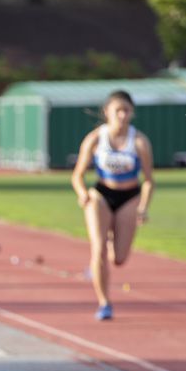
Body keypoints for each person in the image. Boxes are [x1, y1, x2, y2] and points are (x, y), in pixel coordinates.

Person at [71, 90, 154, 321]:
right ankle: (104, 302)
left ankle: (111, 241)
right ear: (107, 112)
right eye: (117, 110)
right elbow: (77, 175)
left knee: (119, 258)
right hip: (101, 194)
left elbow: (148, 181)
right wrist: (82, 194)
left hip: (129, 197)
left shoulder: (139, 142)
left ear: (131, 113)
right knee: (97, 249)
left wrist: (143, 207)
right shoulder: (95, 139)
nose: (122, 115)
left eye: (126, 110)